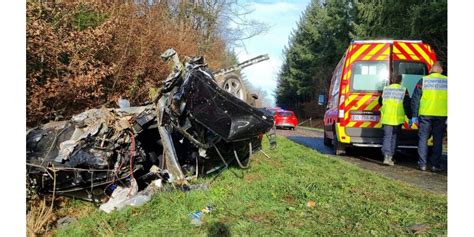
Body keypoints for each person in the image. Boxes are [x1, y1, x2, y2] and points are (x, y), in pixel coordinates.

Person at [410, 61, 447, 172]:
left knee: (423, 138)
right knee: (438, 140)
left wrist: (414, 115)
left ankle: (422, 164)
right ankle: (435, 165)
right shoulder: (447, 81)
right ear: (441, 70)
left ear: (431, 69)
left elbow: (415, 99)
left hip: (425, 114)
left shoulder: (423, 80)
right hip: (441, 114)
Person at [379, 74, 411, 166]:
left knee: (387, 137)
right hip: (397, 118)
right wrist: (410, 116)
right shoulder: (403, 90)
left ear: (391, 80)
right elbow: (407, 104)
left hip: (386, 118)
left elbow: (380, 102)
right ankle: (391, 157)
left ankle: (386, 156)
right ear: (401, 81)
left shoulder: (386, 89)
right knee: (394, 138)